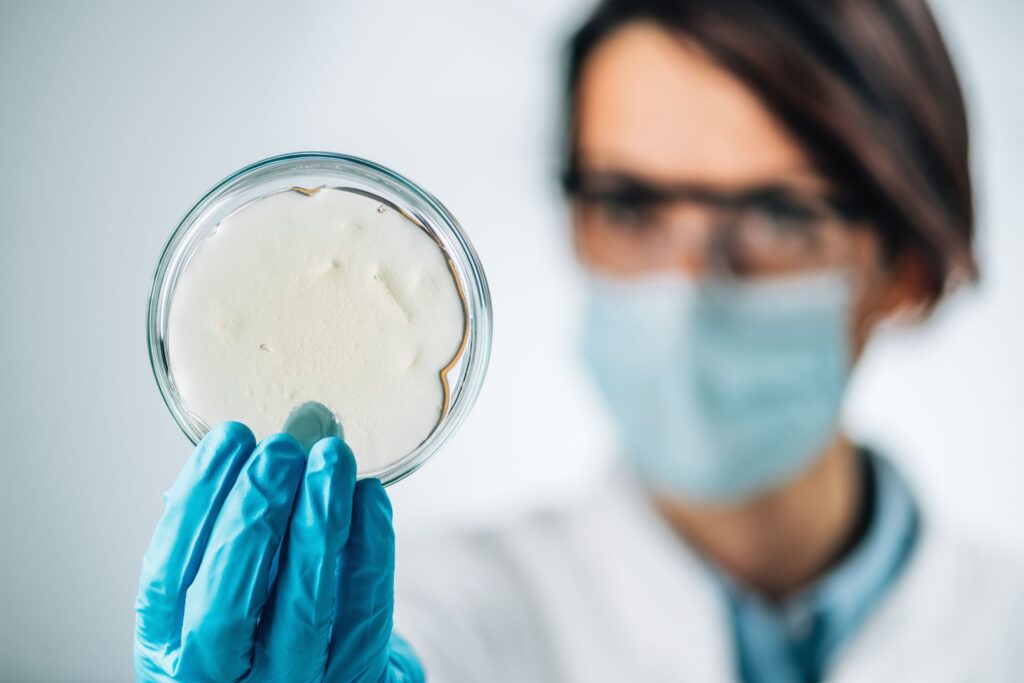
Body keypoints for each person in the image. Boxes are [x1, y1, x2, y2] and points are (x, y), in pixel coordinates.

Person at [134, 0, 1024, 681]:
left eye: (778, 213)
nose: (686, 284)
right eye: (630, 206)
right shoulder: (438, 616)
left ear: (907, 266)